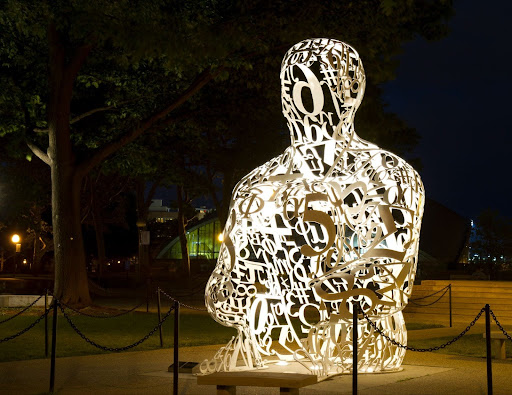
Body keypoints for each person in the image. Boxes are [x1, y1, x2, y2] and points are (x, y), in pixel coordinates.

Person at [203, 38, 424, 376]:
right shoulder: (255, 186)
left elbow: (389, 283)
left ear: (352, 89)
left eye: (315, 81)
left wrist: (290, 288)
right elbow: (222, 299)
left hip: (359, 351)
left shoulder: (388, 175)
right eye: (291, 84)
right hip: (268, 353)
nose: (301, 96)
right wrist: (247, 273)